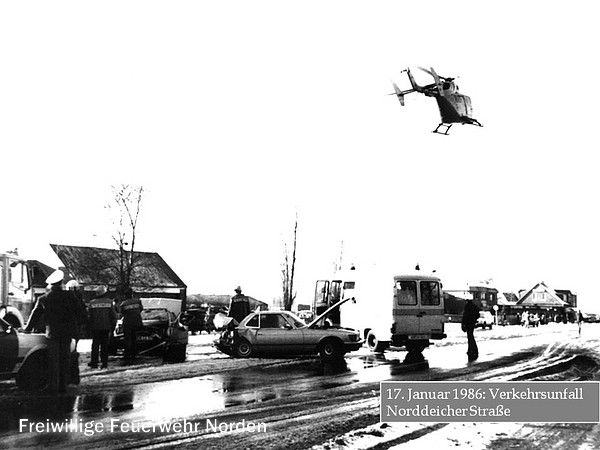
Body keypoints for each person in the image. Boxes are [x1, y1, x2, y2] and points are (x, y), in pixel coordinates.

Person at [24, 270, 80, 393]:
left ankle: (53, 386)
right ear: (61, 282)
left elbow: (35, 315)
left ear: (50, 285)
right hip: (66, 333)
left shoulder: (44, 298)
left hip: (52, 333)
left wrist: (27, 329)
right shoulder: (70, 296)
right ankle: (63, 386)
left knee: (53, 360)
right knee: (65, 359)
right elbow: (78, 312)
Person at [87, 285, 117, 369]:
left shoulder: (92, 303)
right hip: (106, 327)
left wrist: (89, 327)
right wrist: (113, 326)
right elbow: (113, 316)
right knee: (104, 346)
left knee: (95, 345)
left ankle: (94, 363)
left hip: (95, 328)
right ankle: (104, 363)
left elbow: (89, 317)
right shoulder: (109, 302)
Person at [119, 288, 143, 363]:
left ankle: (127, 354)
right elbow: (141, 309)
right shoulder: (138, 301)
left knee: (128, 339)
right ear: (132, 294)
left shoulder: (123, 304)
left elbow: (122, 313)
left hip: (127, 323)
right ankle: (134, 353)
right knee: (134, 338)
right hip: (136, 323)